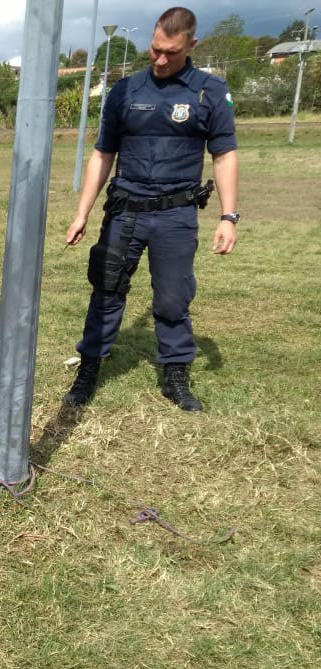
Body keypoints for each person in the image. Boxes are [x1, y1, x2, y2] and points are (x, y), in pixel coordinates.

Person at [64, 6, 239, 412]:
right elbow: (102, 153)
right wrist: (82, 213)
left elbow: (225, 155)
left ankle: (175, 375)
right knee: (106, 290)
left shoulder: (209, 91)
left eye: (171, 53)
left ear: (191, 46)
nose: (160, 60)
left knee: (173, 298)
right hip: (125, 210)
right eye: (155, 50)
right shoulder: (125, 91)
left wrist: (229, 216)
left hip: (176, 214)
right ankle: (89, 368)